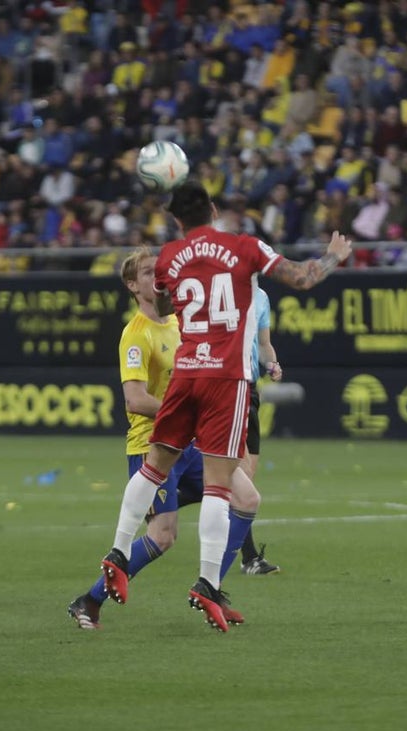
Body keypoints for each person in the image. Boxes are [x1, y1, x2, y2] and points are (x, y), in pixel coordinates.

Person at [94, 181, 351, 632]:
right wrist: (333, 256)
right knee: (219, 486)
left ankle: (117, 552)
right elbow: (303, 277)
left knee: (154, 467)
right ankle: (206, 583)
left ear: (177, 220)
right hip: (225, 377)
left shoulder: (170, 256)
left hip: (186, 371)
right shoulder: (244, 246)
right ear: (213, 210)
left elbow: (167, 297)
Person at [67, 248, 253, 630]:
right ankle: (88, 600)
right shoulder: (135, 335)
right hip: (154, 445)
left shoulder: (181, 321)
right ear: (133, 286)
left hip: (194, 440)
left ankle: (212, 589)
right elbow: (135, 400)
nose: (159, 276)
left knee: (247, 499)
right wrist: (190, 417)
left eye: (161, 270)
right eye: (149, 272)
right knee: (163, 536)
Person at [236, 285, 283, 576]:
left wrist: (272, 363)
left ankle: (179, 493)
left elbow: (264, 343)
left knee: (246, 478)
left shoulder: (261, 296)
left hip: (251, 389)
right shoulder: (221, 287)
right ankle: (249, 557)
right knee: (239, 479)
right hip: (230, 388)